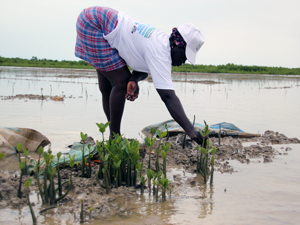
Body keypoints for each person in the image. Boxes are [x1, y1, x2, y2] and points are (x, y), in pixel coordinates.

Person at [75, 6, 206, 145]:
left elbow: (144, 67)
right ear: (178, 44)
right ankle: (115, 139)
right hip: (94, 23)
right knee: (120, 82)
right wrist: (190, 129)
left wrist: (134, 79)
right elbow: (168, 97)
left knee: (109, 85)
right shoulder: (160, 54)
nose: (183, 61)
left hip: (97, 18)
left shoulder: (160, 41)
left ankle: (113, 136)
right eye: (185, 55)